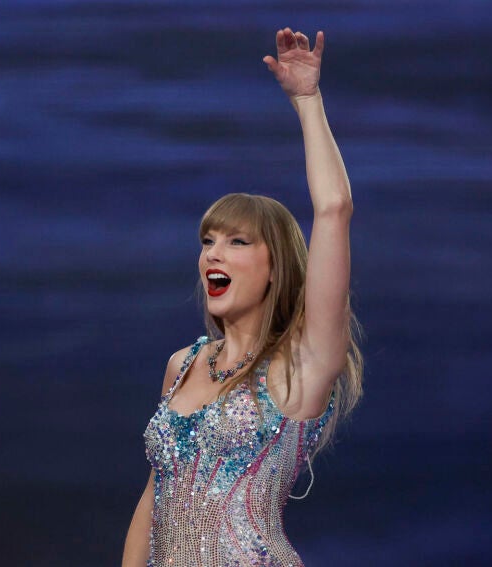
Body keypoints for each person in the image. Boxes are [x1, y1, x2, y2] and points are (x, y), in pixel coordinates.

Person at [122, 28, 364, 567]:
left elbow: (334, 209)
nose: (213, 254)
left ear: (276, 268)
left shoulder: (300, 365)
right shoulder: (182, 366)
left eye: (237, 242)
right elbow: (156, 495)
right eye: (208, 241)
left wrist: (307, 101)